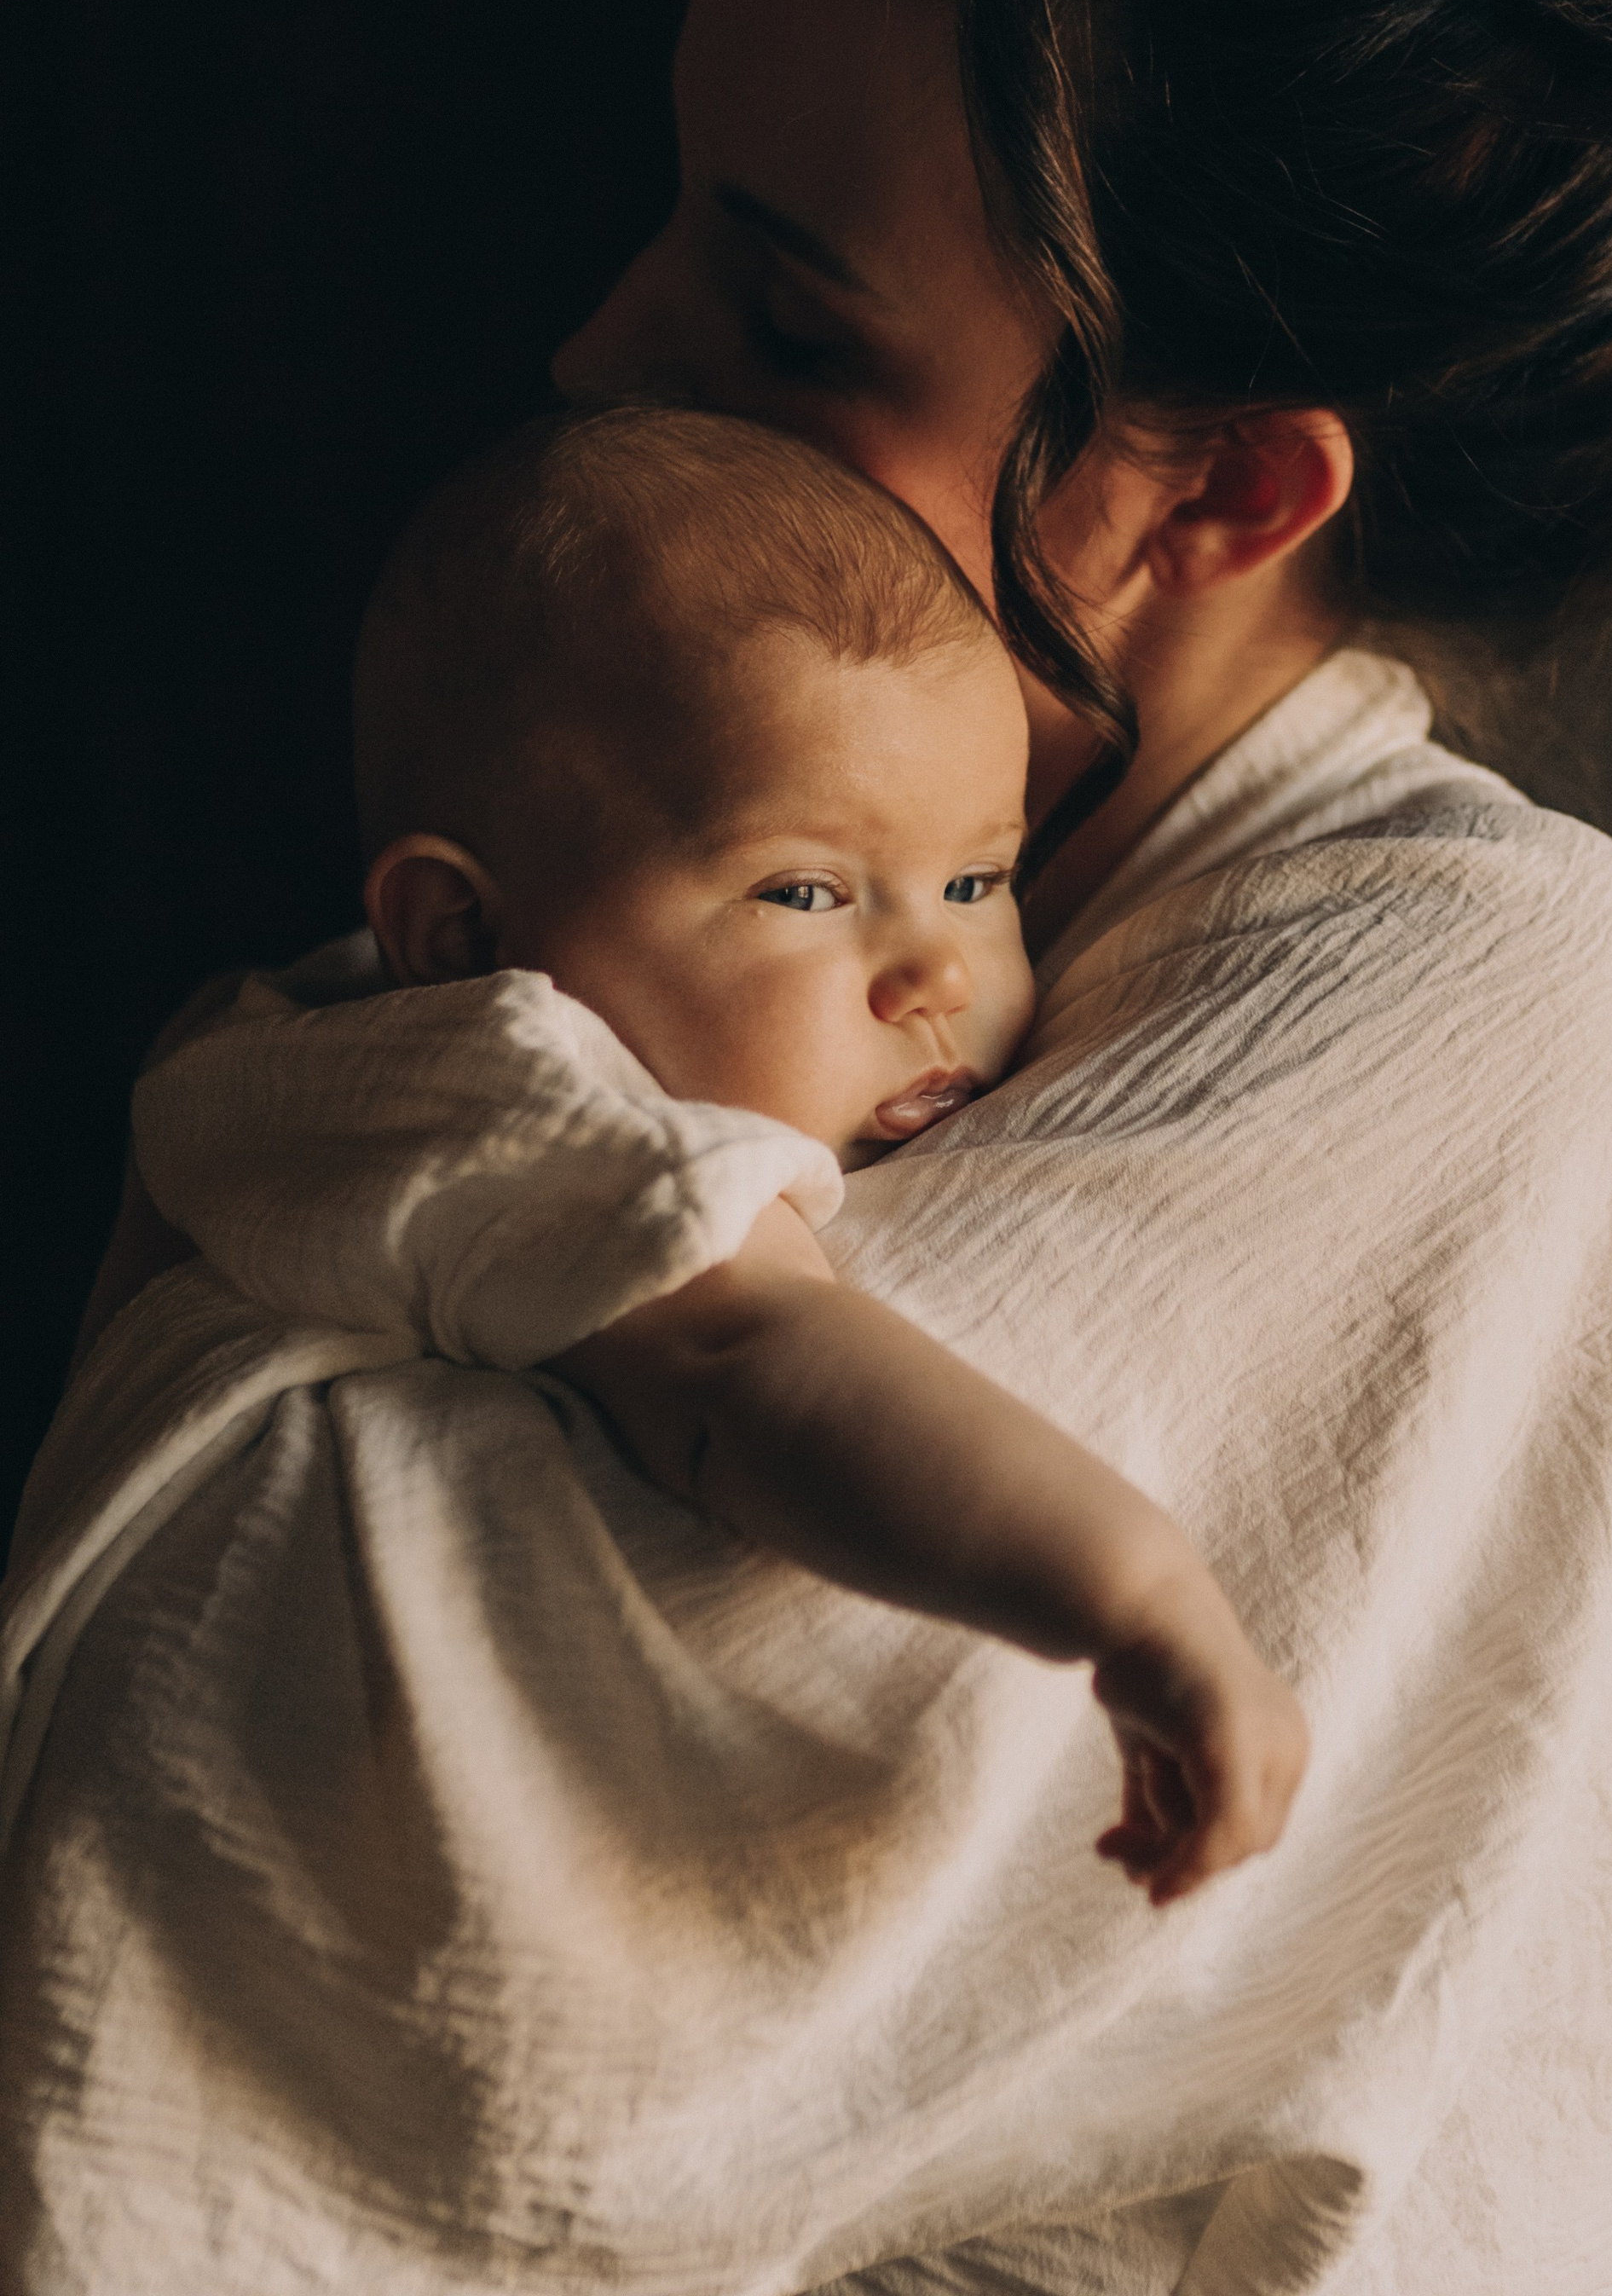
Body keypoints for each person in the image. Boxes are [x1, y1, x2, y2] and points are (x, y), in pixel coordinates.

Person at [2, 0, 1612, 2295]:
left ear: (1214, 498)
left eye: (782, 319)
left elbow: (283, 1712)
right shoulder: (705, 888)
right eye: (671, 218)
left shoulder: (1488, 997)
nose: (599, 346)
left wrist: (315, 1231)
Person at [128, 400, 1307, 1909]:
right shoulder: (493, 1088)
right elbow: (742, 1360)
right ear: (465, 938)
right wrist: (1145, 1604)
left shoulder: (257, 1048)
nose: (934, 975)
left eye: (975, 879)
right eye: (808, 895)